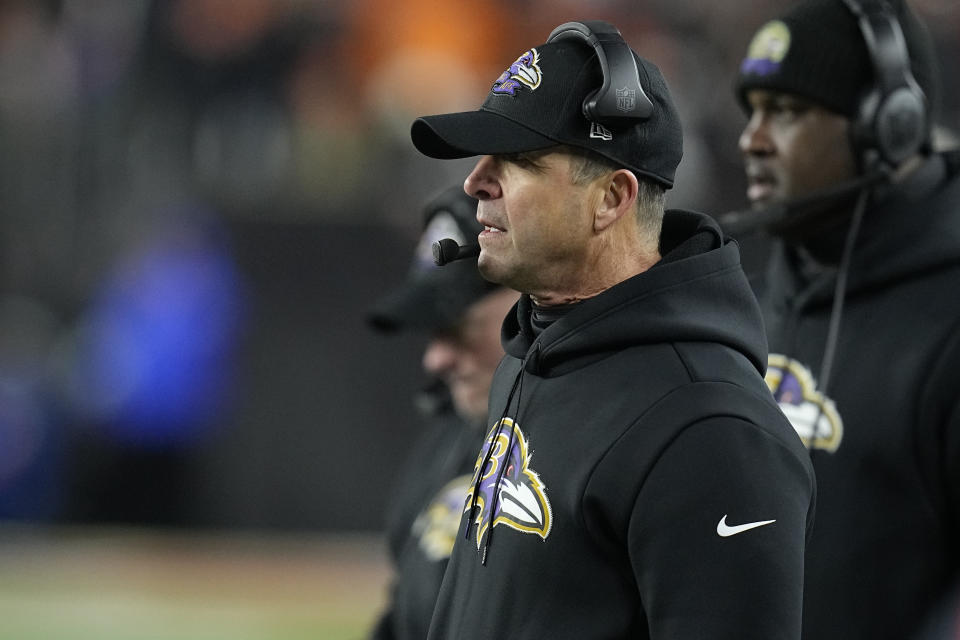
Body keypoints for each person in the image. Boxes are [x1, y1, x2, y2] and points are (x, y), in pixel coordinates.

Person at [407, 19, 816, 639]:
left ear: (611, 198)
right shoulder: (530, 357)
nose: (474, 182)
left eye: (516, 161)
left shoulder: (710, 430)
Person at [730, 0, 960, 638]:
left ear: (889, 126)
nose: (752, 139)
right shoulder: (742, 311)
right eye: (752, 110)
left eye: (787, 111)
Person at [366, 186, 519, 640]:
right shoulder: (446, 438)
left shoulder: (596, 444)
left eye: (457, 328)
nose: (435, 360)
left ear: (529, 298)